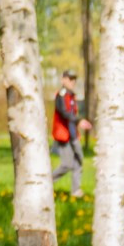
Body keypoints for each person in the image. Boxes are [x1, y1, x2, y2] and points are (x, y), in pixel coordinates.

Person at [50, 70, 90, 199]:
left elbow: (73, 113)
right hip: (63, 135)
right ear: (63, 80)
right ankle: (46, 183)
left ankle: (76, 190)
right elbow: (64, 112)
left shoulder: (72, 95)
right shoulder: (61, 95)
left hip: (73, 135)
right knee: (67, 164)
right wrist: (79, 121)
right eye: (70, 79)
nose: (72, 82)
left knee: (79, 160)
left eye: (74, 79)